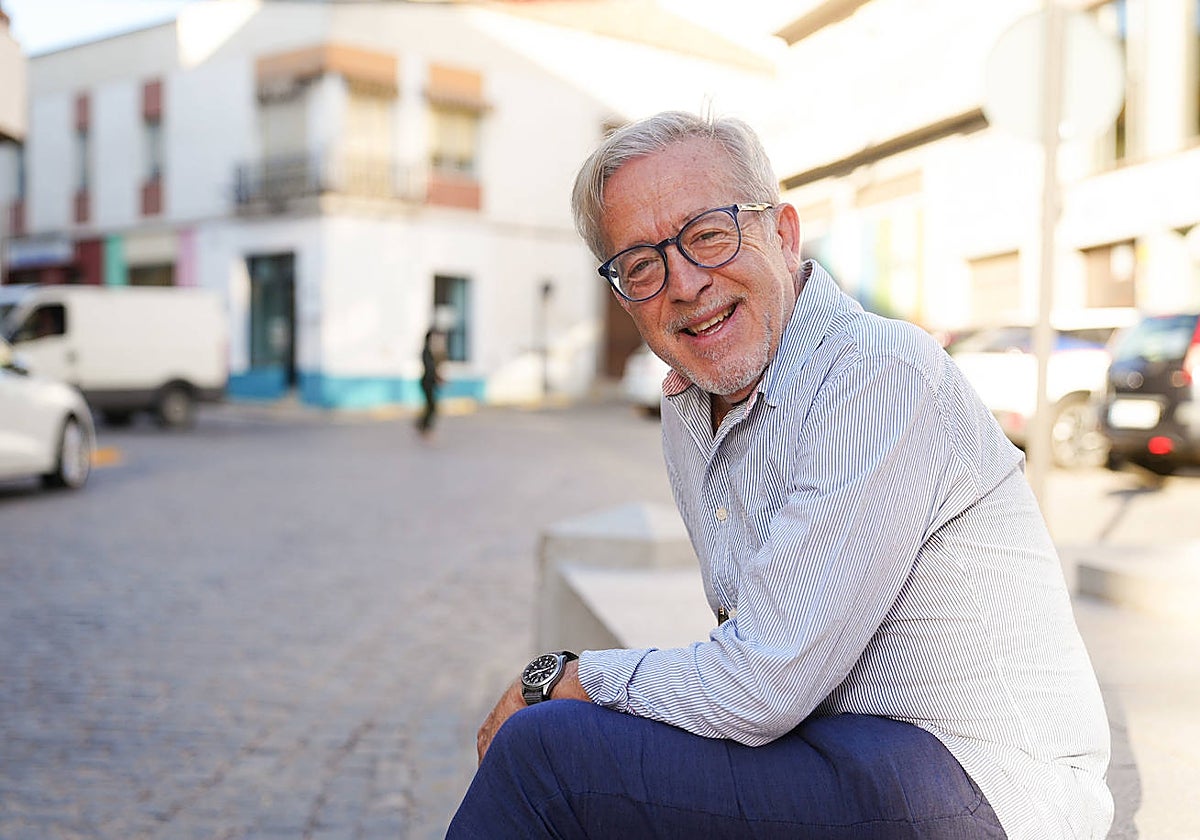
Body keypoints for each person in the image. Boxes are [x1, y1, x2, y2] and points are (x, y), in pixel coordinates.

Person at [447, 111, 1112, 839]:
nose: (685, 283)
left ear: (784, 234)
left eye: (708, 234)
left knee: (547, 756)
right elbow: (756, 654)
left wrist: (569, 677)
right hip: (841, 750)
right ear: (624, 296)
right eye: (641, 264)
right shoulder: (689, 404)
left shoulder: (876, 372)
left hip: (990, 787)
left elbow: (763, 682)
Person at [417, 327, 444, 439]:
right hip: (427, 381)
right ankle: (424, 427)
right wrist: (437, 378)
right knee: (431, 406)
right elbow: (430, 368)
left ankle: (422, 425)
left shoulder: (432, 351)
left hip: (429, 381)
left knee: (431, 406)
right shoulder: (427, 351)